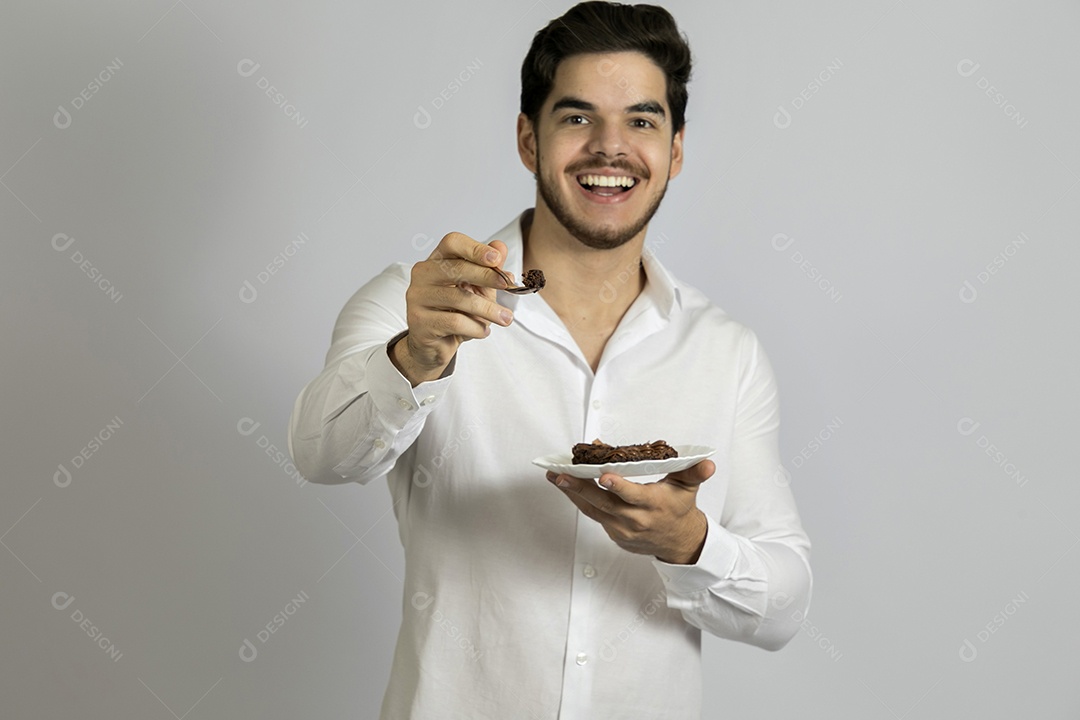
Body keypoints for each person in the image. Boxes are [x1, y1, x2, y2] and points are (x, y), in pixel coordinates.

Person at [288, 2, 812, 717]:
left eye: (641, 120)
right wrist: (416, 357)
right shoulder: (422, 301)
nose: (609, 147)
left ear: (676, 150)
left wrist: (688, 542)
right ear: (528, 140)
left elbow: (784, 605)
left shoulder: (727, 353)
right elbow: (322, 455)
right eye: (577, 118)